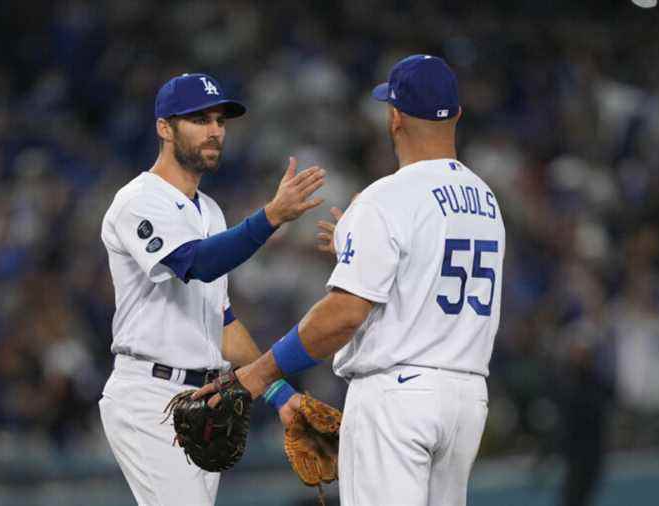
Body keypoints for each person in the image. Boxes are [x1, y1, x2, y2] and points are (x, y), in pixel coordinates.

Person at [196, 55, 506, 506]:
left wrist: (257, 375)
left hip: (398, 397)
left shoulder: (385, 197)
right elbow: (428, 273)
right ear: (456, 114)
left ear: (394, 117)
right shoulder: (486, 198)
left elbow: (343, 317)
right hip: (466, 399)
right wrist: (354, 255)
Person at [98, 72, 325, 506]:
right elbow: (197, 263)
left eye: (220, 120)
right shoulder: (138, 200)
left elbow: (223, 322)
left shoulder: (213, 213)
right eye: (199, 119)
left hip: (204, 402)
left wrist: (280, 394)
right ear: (164, 127)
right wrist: (271, 217)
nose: (215, 131)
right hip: (148, 395)